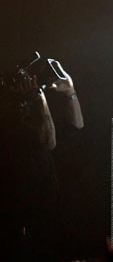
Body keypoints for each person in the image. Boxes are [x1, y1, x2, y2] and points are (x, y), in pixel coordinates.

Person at [0, 56, 83, 261]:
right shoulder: (9, 118)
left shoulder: (32, 114)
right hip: (22, 221)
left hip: (48, 214)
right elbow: (48, 140)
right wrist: (37, 95)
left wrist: (70, 92)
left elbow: (76, 125)